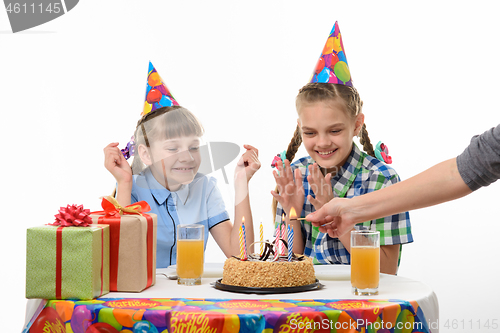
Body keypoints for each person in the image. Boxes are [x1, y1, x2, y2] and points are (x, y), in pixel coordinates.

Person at [104, 105, 261, 268]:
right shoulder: (132, 189)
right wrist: (124, 183)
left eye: (193, 147)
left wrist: (242, 182)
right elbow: (120, 259)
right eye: (173, 148)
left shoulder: (205, 188)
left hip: (190, 289)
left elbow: (242, 257)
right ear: (146, 154)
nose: (187, 157)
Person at [306, 124, 500, 238]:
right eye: (310, 132)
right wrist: (350, 211)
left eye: (335, 130)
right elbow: (464, 169)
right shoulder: (298, 174)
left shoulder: (380, 176)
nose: (323, 142)